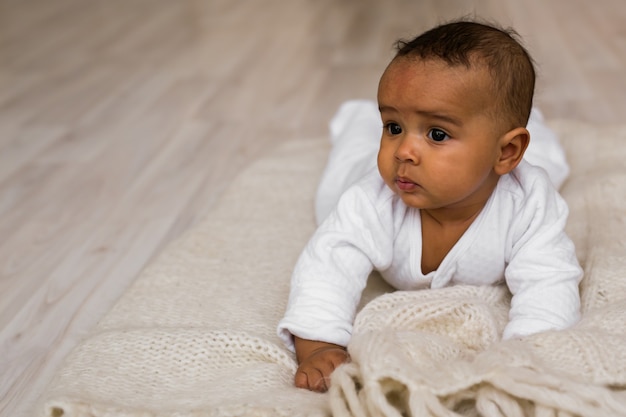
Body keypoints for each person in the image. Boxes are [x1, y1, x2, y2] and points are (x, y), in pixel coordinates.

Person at [277, 20, 583, 393]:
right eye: (392, 126)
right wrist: (319, 342)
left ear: (506, 152)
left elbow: (550, 279)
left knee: (551, 162)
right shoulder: (371, 199)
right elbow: (329, 264)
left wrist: (529, 352)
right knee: (352, 151)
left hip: (514, 163)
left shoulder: (528, 203)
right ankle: (358, 118)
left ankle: (531, 124)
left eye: (436, 134)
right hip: (354, 174)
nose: (404, 150)